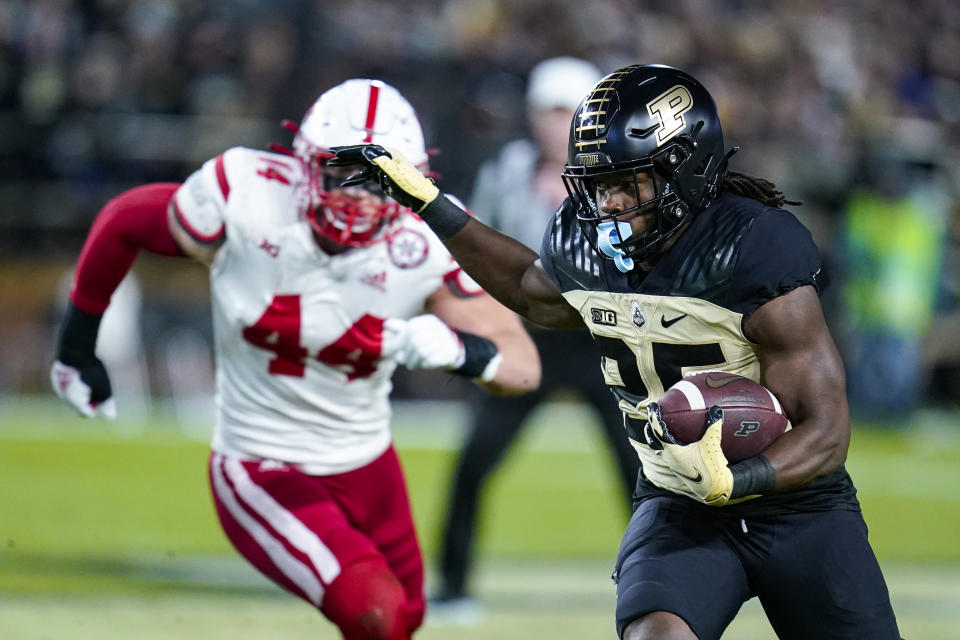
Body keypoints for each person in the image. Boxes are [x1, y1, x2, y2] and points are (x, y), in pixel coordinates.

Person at [331, 64, 902, 640]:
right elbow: (533, 290)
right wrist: (431, 204)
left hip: (798, 508)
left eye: (630, 183)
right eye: (600, 184)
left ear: (685, 168)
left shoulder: (751, 246)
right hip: (679, 503)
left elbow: (826, 431)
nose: (609, 203)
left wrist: (737, 479)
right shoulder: (588, 240)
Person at [50, 78, 540, 640]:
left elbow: (522, 366)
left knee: (403, 620)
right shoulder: (247, 193)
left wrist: (456, 351)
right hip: (262, 462)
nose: (358, 194)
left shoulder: (425, 241)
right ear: (303, 162)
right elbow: (126, 220)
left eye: (379, 177)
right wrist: (76, 346)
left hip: (367, 460)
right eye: (342, 170)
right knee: (375, 613)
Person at [432, 57, 639, 611]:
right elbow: (477, 248)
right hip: (530, 337)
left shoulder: (621, 176)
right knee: (475, 460)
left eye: (566, 113)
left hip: (602, 338)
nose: (554, 125)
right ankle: (452, 588)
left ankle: (660, 585)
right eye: (546, 113)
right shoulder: (507, 169)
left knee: (643, 471)